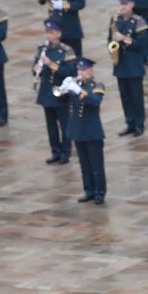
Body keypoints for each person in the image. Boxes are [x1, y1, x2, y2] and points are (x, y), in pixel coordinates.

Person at [59, 56, 107, 205]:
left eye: (84, 69)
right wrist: (63, 89)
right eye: (79, 69)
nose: (81, 72)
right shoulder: (76, 85)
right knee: (84, 164)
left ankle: (99, 192)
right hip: (78, 130)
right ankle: (89, 190)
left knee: (96, 164)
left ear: (91, 70)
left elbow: (94, 102)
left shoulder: (97, 85)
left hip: (92, 131)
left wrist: (77, 90)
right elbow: (62, 102)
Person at [33, 18, 74, 165]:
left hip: (60, 92)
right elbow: (35, 67)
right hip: (46, 92)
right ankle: (55, 151)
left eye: (52, 32)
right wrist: (37, 69)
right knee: (51, 126)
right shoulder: (42, 49)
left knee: (64, 124)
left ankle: (66, 152)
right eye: (47, 32)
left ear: (58, 34)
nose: (48, 35)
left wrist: (51, 65)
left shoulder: (66, 51)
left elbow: (70, 71)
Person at [109, 0, 147, 137]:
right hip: (121, 64)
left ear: (132, 5)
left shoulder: (138, 21)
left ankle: (139, 124)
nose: (122, 7)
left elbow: (142, 44)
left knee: (136, 96)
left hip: (134, 65)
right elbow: (109, 39)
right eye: (121, 4)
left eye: (125, 4)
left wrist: (124, 38)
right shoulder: (115, 20)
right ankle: (129, 122)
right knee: (125, 96)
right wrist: (111, 47)